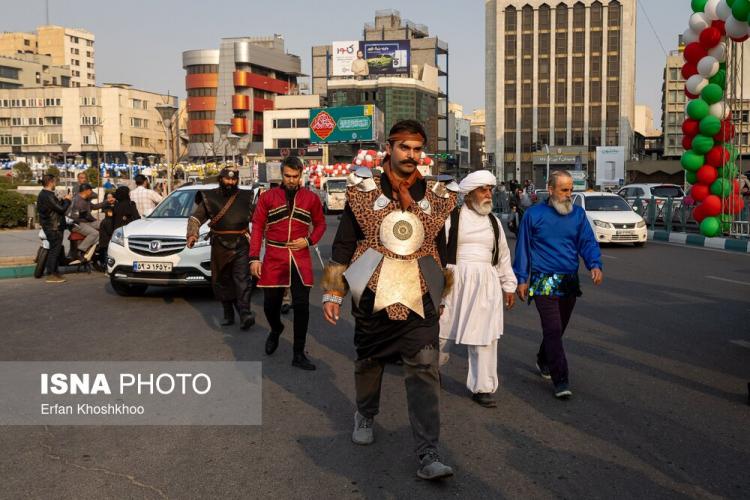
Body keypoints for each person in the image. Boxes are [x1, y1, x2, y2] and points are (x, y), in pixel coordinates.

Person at [322, 119, 457, 480]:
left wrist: (444, 291)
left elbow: (442, 249)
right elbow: (344, 241)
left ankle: (428, 453)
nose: (411, 155)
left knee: (425, 366)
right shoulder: (362, 192)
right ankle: (365, 412)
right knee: (369, 360)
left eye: (417, 149)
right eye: (404, 148)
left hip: (421, 295)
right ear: (390, 148)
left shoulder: (436, 195)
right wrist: (333, 291)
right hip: (371, 291)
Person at [513, 170, 603, 399]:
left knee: (558, 329)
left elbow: (587, 242)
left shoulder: (578, 215)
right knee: (552, 329)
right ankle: (561, 379)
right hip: (544, 281)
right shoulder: (533, 215)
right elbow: (522, 249)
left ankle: (544, 359)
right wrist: (521, 279)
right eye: (564, 189)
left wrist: (594, 264)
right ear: (550, 189)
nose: (568, 194)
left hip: (569, 281)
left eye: (571, 190)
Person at [439, 170, 517, 408]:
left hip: (486, 284)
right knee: (441, 333)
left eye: (490, 190)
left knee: (485, 338)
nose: (488, 195)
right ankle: (430, 373)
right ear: (470, 193)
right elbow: (438, 252)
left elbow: (503, 256)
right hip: (454, 281)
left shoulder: (494, 223)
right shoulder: (452, 217)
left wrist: (509, 286)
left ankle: (482, 388)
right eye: (483, 190)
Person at [250, 156, 326, 370]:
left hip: (300, 258)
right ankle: (276, 329)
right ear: (281, 174)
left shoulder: (311, 198)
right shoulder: (268, 197)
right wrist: (254, 257)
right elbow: (257, 227)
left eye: (295, 176)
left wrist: (309, 240)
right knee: (270, 305)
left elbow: (320, 225)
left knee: (302, 306)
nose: (291, 180)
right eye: (287, 176)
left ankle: (298, 353)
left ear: (301, 174)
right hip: (274, 255)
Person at [187, 167, 256, 330]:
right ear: (221, 179)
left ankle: (245, 313)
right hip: (219, 244)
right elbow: (196, 218)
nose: (230, 182)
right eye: (227, 179)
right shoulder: (209, 197)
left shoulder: (246, 197)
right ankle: (228, 312)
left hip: (241, 243)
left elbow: (258, 218)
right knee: (222, 279)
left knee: (242, 279)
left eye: (233, 180)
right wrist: (192, 235)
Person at [36, 174, 72, 283]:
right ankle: (51, 274)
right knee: (54, 251)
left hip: (53, 226)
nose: (55, 184)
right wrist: (68, 201)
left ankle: (55, 273)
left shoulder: (46, 194)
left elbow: (55, 207)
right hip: (53, 227)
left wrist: (63, 199)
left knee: (55, 250)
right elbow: (61, 209)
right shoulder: (47, 195)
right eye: (55, 181)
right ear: (51, 182)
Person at [68, 183, 106, 262]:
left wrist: (107, 202)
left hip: (84, 222)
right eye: (91, 190)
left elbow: (94, 207)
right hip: (76, 224)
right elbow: (87, 216)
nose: (92, 191)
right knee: (95, 233)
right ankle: (80, 251)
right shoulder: (79, 201)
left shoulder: (85, 199)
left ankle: (94, 248)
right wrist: (96, 221)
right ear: (87, 191)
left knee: (104, 224)